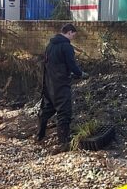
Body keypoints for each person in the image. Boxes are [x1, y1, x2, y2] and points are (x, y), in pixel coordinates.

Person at [37, 23, 89, 153]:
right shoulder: (66, 47)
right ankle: (63, 141)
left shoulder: (49, 45)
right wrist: (80, 74)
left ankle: (40, 135)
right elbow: (71, 64)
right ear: (69, 32)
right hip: (61, 84)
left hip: (48, 83)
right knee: (64, 112)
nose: (73, 38)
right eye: (73, 35)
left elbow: (48, 64)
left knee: (46, 109)